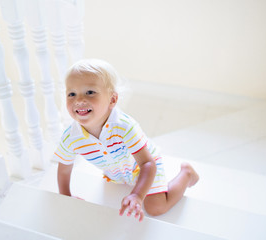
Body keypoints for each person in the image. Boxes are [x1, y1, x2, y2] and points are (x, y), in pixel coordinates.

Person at [53, 59, 199, 222]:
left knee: (156, 207)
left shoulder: (123, 126)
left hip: (144, 167)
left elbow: (147, 164)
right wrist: (65, 196)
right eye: (71, 94)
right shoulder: (70, 137)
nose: (79, 100)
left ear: (112, 100)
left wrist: (137, 195)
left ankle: (186, 174)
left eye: (90, 92)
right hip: (118, 173)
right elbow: (64, 169)